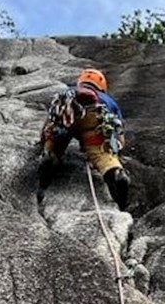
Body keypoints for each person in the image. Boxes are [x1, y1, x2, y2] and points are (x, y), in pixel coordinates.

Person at [37, 68, 130, 209]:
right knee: (100, 154)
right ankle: (114, 171)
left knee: (58, 138)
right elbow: (118, 130)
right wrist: (117, 149)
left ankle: (50, 155)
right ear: (101, 86)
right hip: (94, 116)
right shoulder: (107, 100)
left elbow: (50, 121)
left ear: (81, 82)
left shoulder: (69, 92)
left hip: (68, 112)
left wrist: (45, 141)